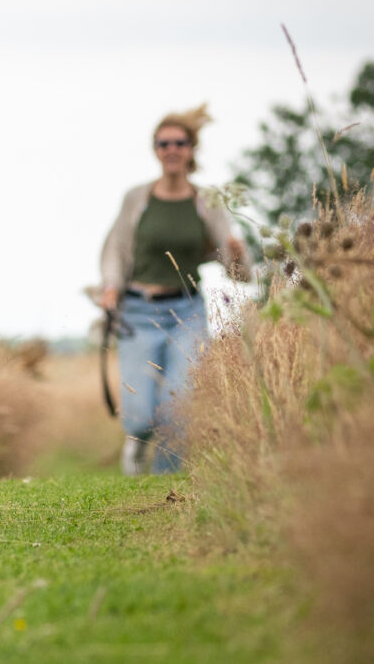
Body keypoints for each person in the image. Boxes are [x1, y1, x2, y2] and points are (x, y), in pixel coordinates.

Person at [98, 104, 251, 475]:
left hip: (187, 313)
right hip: (137, 311)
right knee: (138, 418)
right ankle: (136, 446)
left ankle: (163, 489)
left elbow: (237, 271)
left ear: (191, 149)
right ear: (155, 149)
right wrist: (111, 288)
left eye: (179, 143)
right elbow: (117, 249)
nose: (171, 149)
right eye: (163, 143)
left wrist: (236, 255)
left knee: (179, 405)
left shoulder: (206, 202)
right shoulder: (137, 198)